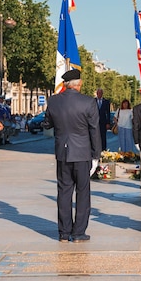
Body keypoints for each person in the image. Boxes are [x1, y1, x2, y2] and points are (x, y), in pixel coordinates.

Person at [43, 69, 101, 243]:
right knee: (83, 193)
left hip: (62, 153)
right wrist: (96, 155)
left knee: (64, 193)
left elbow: (46, 124)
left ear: (65, 84)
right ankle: (78, 233)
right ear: (79, 84)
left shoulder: (53, 101)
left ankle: (63, 232)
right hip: (82, 154)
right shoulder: (89, 102)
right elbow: (94, 130)